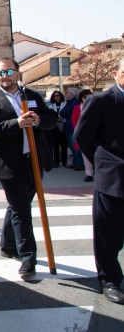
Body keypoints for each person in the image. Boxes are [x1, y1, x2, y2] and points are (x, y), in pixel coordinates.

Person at [0, 57, 56, 277]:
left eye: (8, 72)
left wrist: (38, 120)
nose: (4, 77)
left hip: (33, 160)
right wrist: (17, 124)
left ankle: (8, 244)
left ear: (18, 73)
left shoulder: (31, 96)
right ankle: (28, 258)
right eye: (0, 73)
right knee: (22, 210)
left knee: (17, 205)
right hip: (9, 164)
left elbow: (52, 119)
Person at [74, 57, 124, 304]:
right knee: (108, 235)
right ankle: (110, 280)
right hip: (113, 178)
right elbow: (82, 136)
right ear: (115, 74)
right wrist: (102, 163)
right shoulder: (100, 101)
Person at [71, 90, 93, 182]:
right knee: (85, 155)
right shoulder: (77, 108)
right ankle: (89, 174)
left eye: (88, 96)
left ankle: (98, 171)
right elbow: (74, 122)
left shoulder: (96, 106)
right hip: (83, 135)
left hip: (96, 135)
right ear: (81, 98)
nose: (86, 99)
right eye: (84, 97)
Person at [60, 87, 84, 171]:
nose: (65, 94)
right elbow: (62, 112)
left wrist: (64, 113)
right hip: (68, 126)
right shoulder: (68, 102)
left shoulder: (75, 102)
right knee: (71, 145)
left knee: (75, 146)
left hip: (73, 126)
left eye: (67, 92)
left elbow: (66, 112)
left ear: (72, 94)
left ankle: (79, 163)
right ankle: (75, 162)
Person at [48, 91, 69, 168]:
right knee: (55, 146)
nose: (56, 97)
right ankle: (56, 162)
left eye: (58, 95)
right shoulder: (51, 106)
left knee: (64, 145)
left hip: (63, 126)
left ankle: (64, 161)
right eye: (55, 96)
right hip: (54, 127)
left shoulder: (65, 104)